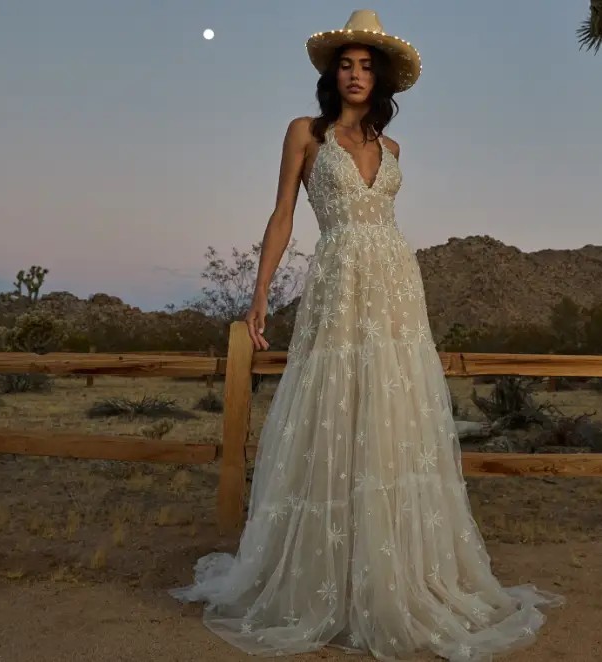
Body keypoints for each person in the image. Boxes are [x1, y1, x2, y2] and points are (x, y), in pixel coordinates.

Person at [169, 9, 563, 660]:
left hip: (394, 283)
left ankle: (393, 573)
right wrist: (259, 297)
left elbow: (382, 219)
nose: (354, 75)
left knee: (389, 411)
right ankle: (321, 576)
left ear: (380, 80)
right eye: (345, 65)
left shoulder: (393, 148)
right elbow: (281, 216)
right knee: (334, 407)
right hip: (337, 277)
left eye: (365, 66)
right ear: (332, 74)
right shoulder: (304, 132)